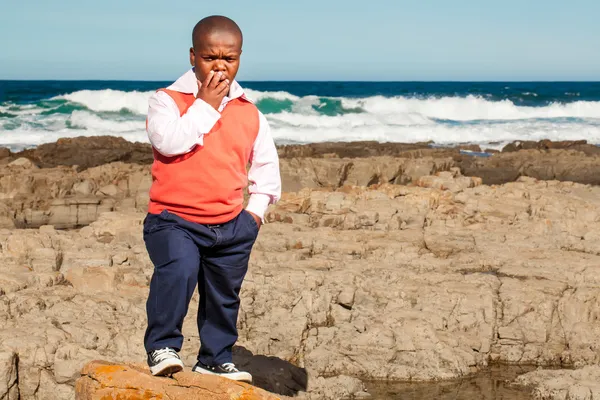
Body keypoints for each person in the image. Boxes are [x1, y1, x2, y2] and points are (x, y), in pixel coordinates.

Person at [142, 15, 281, 383]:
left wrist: (253, 215)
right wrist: (204, 103)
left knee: (224, 294)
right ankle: (162, 345)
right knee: (179, 271)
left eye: (230, 58)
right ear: (192, 56)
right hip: (173, 219)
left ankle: (215, 357)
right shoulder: (166, 101)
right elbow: (168, 142)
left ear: (239, 59)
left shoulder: (249, 111)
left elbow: (266, 166)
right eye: (210, 57)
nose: (221, 65)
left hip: (230, 225)